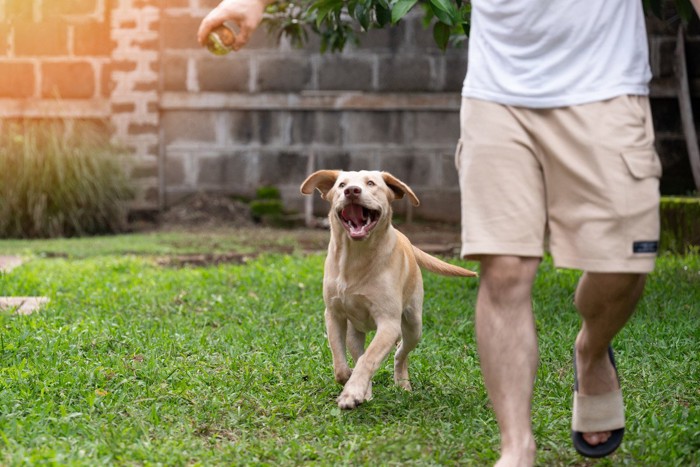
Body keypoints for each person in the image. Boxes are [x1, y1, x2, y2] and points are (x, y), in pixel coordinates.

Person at [198, 1, 699, 465]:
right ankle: (516, 448)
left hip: (607, 86)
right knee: (503, 272)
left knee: (624, 263)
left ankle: (591, 348)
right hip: (498, 93)